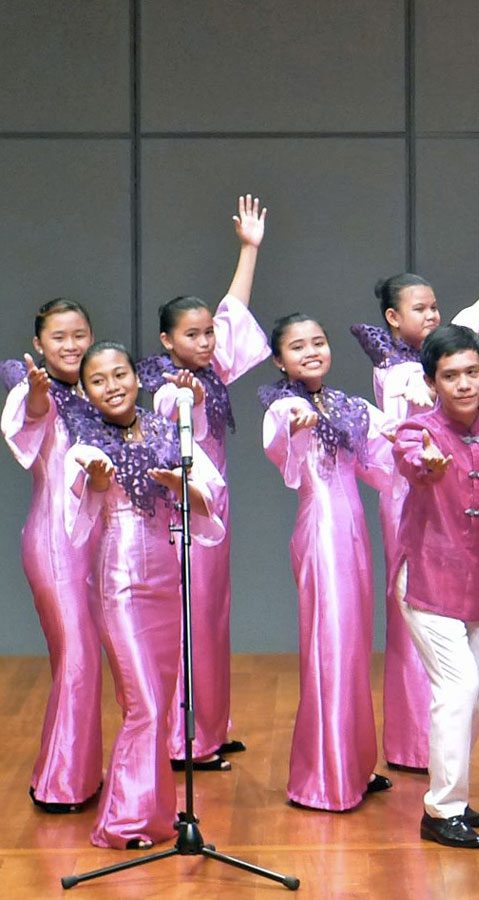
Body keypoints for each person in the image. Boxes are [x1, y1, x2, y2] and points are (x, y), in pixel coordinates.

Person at [352, 232, 479, 772]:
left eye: (434, 307)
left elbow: (473, 318)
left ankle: (435, 750)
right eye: (420, 309)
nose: (432, 315)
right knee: (422, 621)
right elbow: (407, 441)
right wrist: (425, 459)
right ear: (391, 316)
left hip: (461, 495)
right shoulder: (397, 370)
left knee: (473, 670)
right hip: (415, 491)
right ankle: (414, 747)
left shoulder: (452, 363)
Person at [63, 342, 223, 848]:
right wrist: (93, 479)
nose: (112, 386)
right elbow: (78, 504)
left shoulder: (164, 433)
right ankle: (123, 822)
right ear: (86, 391)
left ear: (138, 377)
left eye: (120, 374)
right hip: (121, 582)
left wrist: (183, 487)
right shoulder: (85, 443)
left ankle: (154, 815)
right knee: (144, 705)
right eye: (98, 380)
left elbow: (207, 496)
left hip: (168, 578)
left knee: (162, 700)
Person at [136, 194, 270, 769]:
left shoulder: (212, 369)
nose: (206, 341)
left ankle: (209, 728)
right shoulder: (167, 385)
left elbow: (233, 309)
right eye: (192, 335)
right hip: (182, 515)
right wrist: (181, 399)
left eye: (208, 334)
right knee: (188, 619)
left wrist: (248, 249)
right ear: (168, 340)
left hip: (216, 509)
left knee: (213, 614)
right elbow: (169, 415)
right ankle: (181, 740)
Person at [392, 324, 479, 848]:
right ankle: (441, 809)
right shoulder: (417, 430)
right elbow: (409, 461)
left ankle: (455, 791)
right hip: (427, 579)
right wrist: (426, 465)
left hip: (478, 585)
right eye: (450, 376)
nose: (464, 384)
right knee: (456, 690)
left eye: (472, 372)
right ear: (432, 383)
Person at [259, 314, 395, 811]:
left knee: (354, 643)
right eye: (297, 346)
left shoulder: (345, 403)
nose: (311, 350)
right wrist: (297, 428)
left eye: (319, 341)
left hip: (353, 527)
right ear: (280, 360)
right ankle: (326, 775)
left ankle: (355, 763)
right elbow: (287, 456)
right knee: (331, 644)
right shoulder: (284, 405)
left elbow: (383, 455)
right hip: (320, 528)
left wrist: (418, 436)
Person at [1, 300, 102, 813]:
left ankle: (79, 771)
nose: (71, 345)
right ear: (39, 344)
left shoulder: (99, 388)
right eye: (59, 337)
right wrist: (41, 397)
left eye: (79, 334)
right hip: (55, 541)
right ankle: (59, 783)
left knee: (90, 660)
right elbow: (31, 420)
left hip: (102, 544)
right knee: (77, 656)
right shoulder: (31, 389)